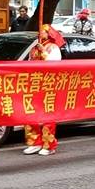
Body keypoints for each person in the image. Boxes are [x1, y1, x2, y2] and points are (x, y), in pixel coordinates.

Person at [23, 24, 64, 156]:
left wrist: (44, 53)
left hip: (48, 84)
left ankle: (49, 144)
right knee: (29, 112)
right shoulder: (34, 48)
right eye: (39, 31)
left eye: (43, 31)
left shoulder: (54, 48)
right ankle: (34, 141)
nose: (40, 33)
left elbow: (55, 64)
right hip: (34, 83)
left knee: (48, 115)